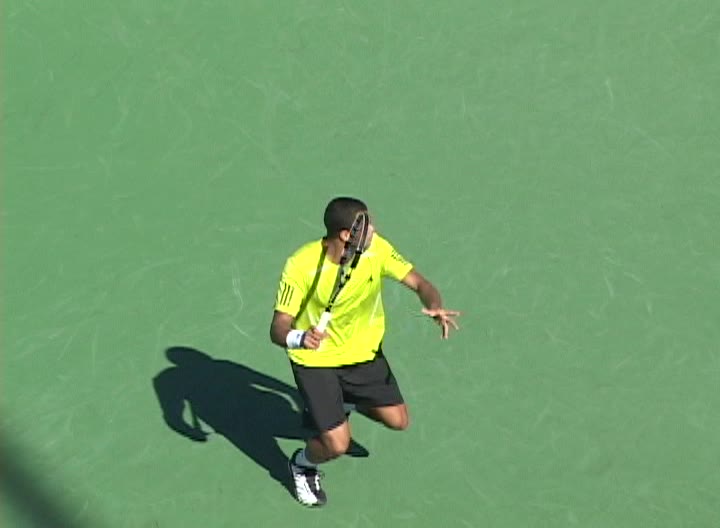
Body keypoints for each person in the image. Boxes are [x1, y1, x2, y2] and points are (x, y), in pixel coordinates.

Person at [269, 196, 460, 507]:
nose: (374, 230)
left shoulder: (377, 250)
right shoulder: (301, 265)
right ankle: (302, 464)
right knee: (337, 444)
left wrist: (434, 305)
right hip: (316, 360)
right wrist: (299, 337)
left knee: (398, 420)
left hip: (363, 355)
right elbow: (278, 327)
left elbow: (420, 283)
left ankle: (344, 401)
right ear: (346, 234)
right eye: (366, 224)